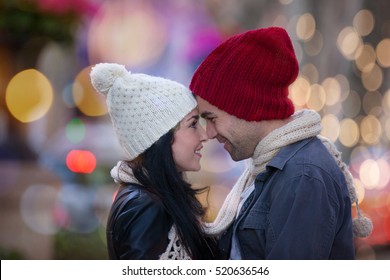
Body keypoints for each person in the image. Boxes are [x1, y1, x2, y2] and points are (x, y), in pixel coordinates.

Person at [189, 27, 373, 259]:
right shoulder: (269, 168)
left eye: (212, 118)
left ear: (246, 106)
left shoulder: (302, 176)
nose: (209, 133)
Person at [90, 63, 219, 259]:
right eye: (193, 124)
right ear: (160, 138)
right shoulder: (144, 206)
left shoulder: (153, 197)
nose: (204, 135)